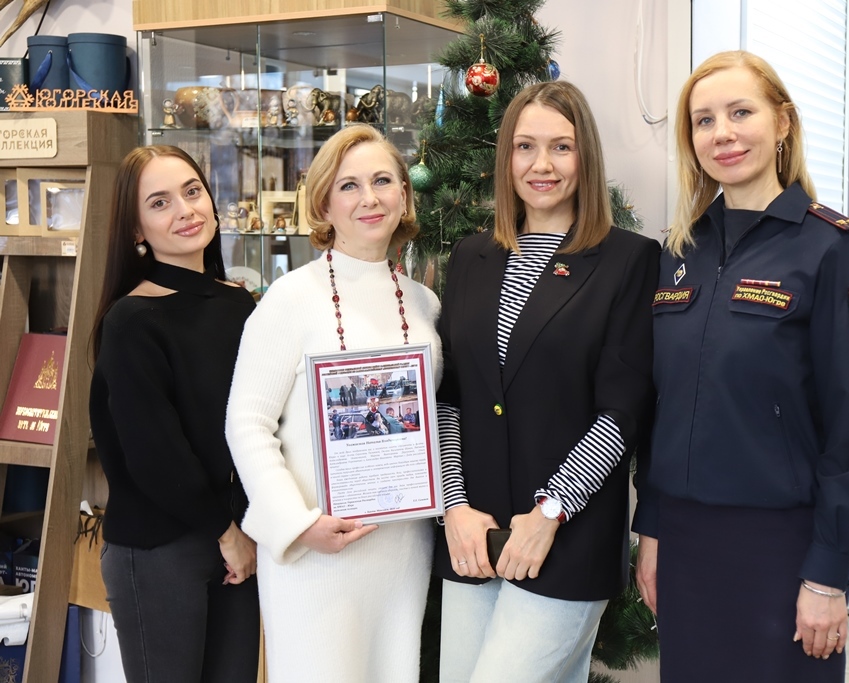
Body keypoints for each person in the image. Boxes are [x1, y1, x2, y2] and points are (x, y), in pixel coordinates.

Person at [632, 51, 849, 682]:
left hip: (782, 546)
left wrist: (828, 572)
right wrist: (652, 532)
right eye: (704, 120)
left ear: (782, 123)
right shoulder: (679, 252)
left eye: (740, 112)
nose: (722, 133)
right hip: (685, 543)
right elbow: (663, 407)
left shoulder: (832, 249)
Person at [435, 80, 660, 683]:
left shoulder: (629, 260)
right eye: (525, 147)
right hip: (474, 535)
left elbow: (622, 412)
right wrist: (455, 508)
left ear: (586, 157)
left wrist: (549, 513)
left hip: (566, 537)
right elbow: (451, 398)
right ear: (505, 158)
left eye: (561, 147)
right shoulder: (470, 257)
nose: (542, 165)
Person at [224, 123, 441, 682]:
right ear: (324, 204)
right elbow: (246, 423)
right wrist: (296, 525)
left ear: (404, 195)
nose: (369, 198)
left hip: (402, 551)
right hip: (315, 554)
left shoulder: (425, 304)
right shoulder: (289, 299)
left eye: (383, 181)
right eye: (349, 186)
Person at [89, 145, 259, 682]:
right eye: (159, 202)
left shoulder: (240, 303)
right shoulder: (132, 320)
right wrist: (226, 533)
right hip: (160, 548)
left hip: (239, 538)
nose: (185, 210)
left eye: (192, 192)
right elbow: (155, 454)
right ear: (136, 229)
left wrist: (245, 529)